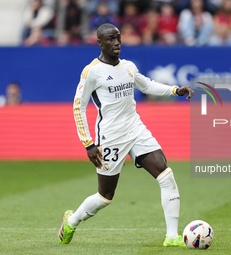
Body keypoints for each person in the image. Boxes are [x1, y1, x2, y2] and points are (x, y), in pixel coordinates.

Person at [58, 23, 194, 247]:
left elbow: (147, 86)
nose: (117, 43)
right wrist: (89, 143)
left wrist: (175, 90)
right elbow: (78, 107)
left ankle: (172, 237)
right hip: (110, 137)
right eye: (111, 39)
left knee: (165, 174)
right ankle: (71, 220)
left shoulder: (129, 66)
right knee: (105, 197)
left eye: (118, 38)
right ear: (100, 43)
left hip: (136, 129)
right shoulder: (92, 71)